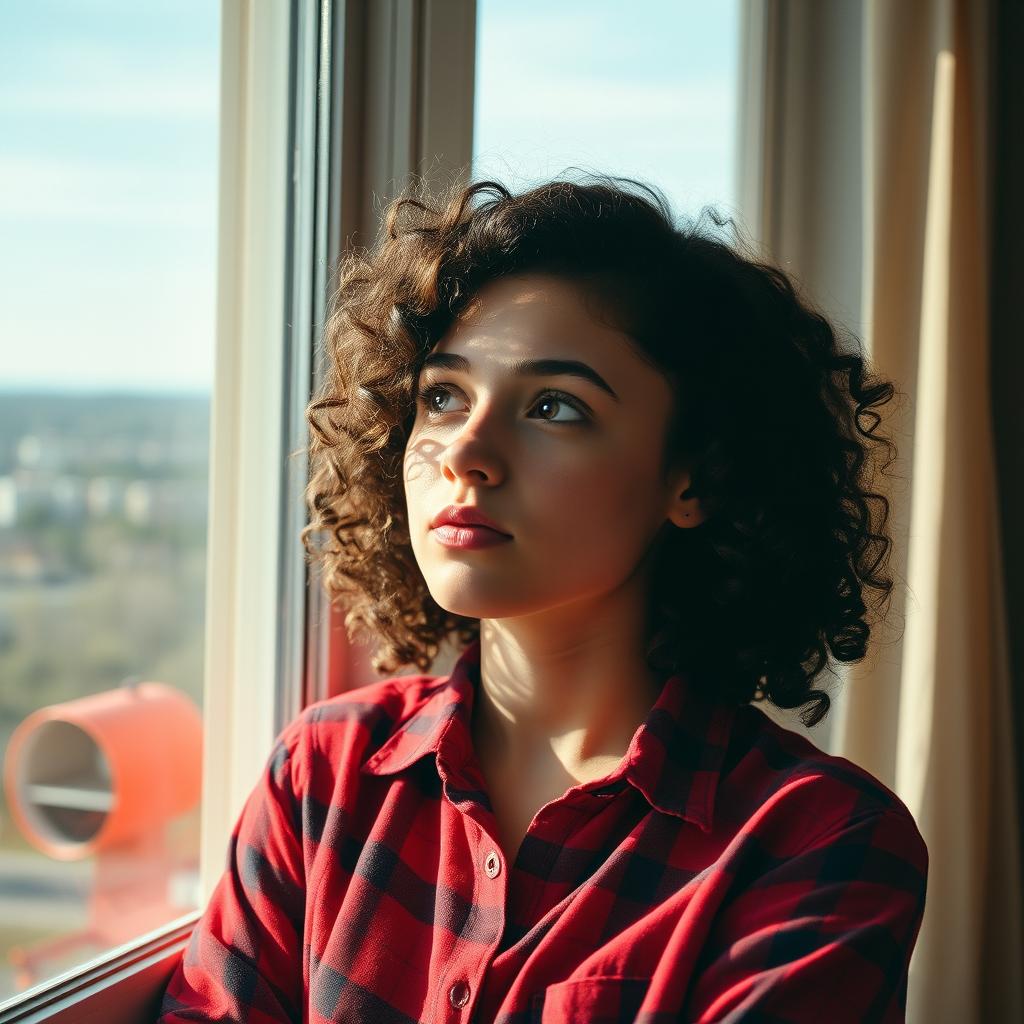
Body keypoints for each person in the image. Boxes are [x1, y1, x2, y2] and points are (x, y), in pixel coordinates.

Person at [158, 174, 928, 1023]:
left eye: (555, 406)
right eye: (442, 396)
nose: (467, 454)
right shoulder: (322, 778)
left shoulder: (817, 842)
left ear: (695, 479)